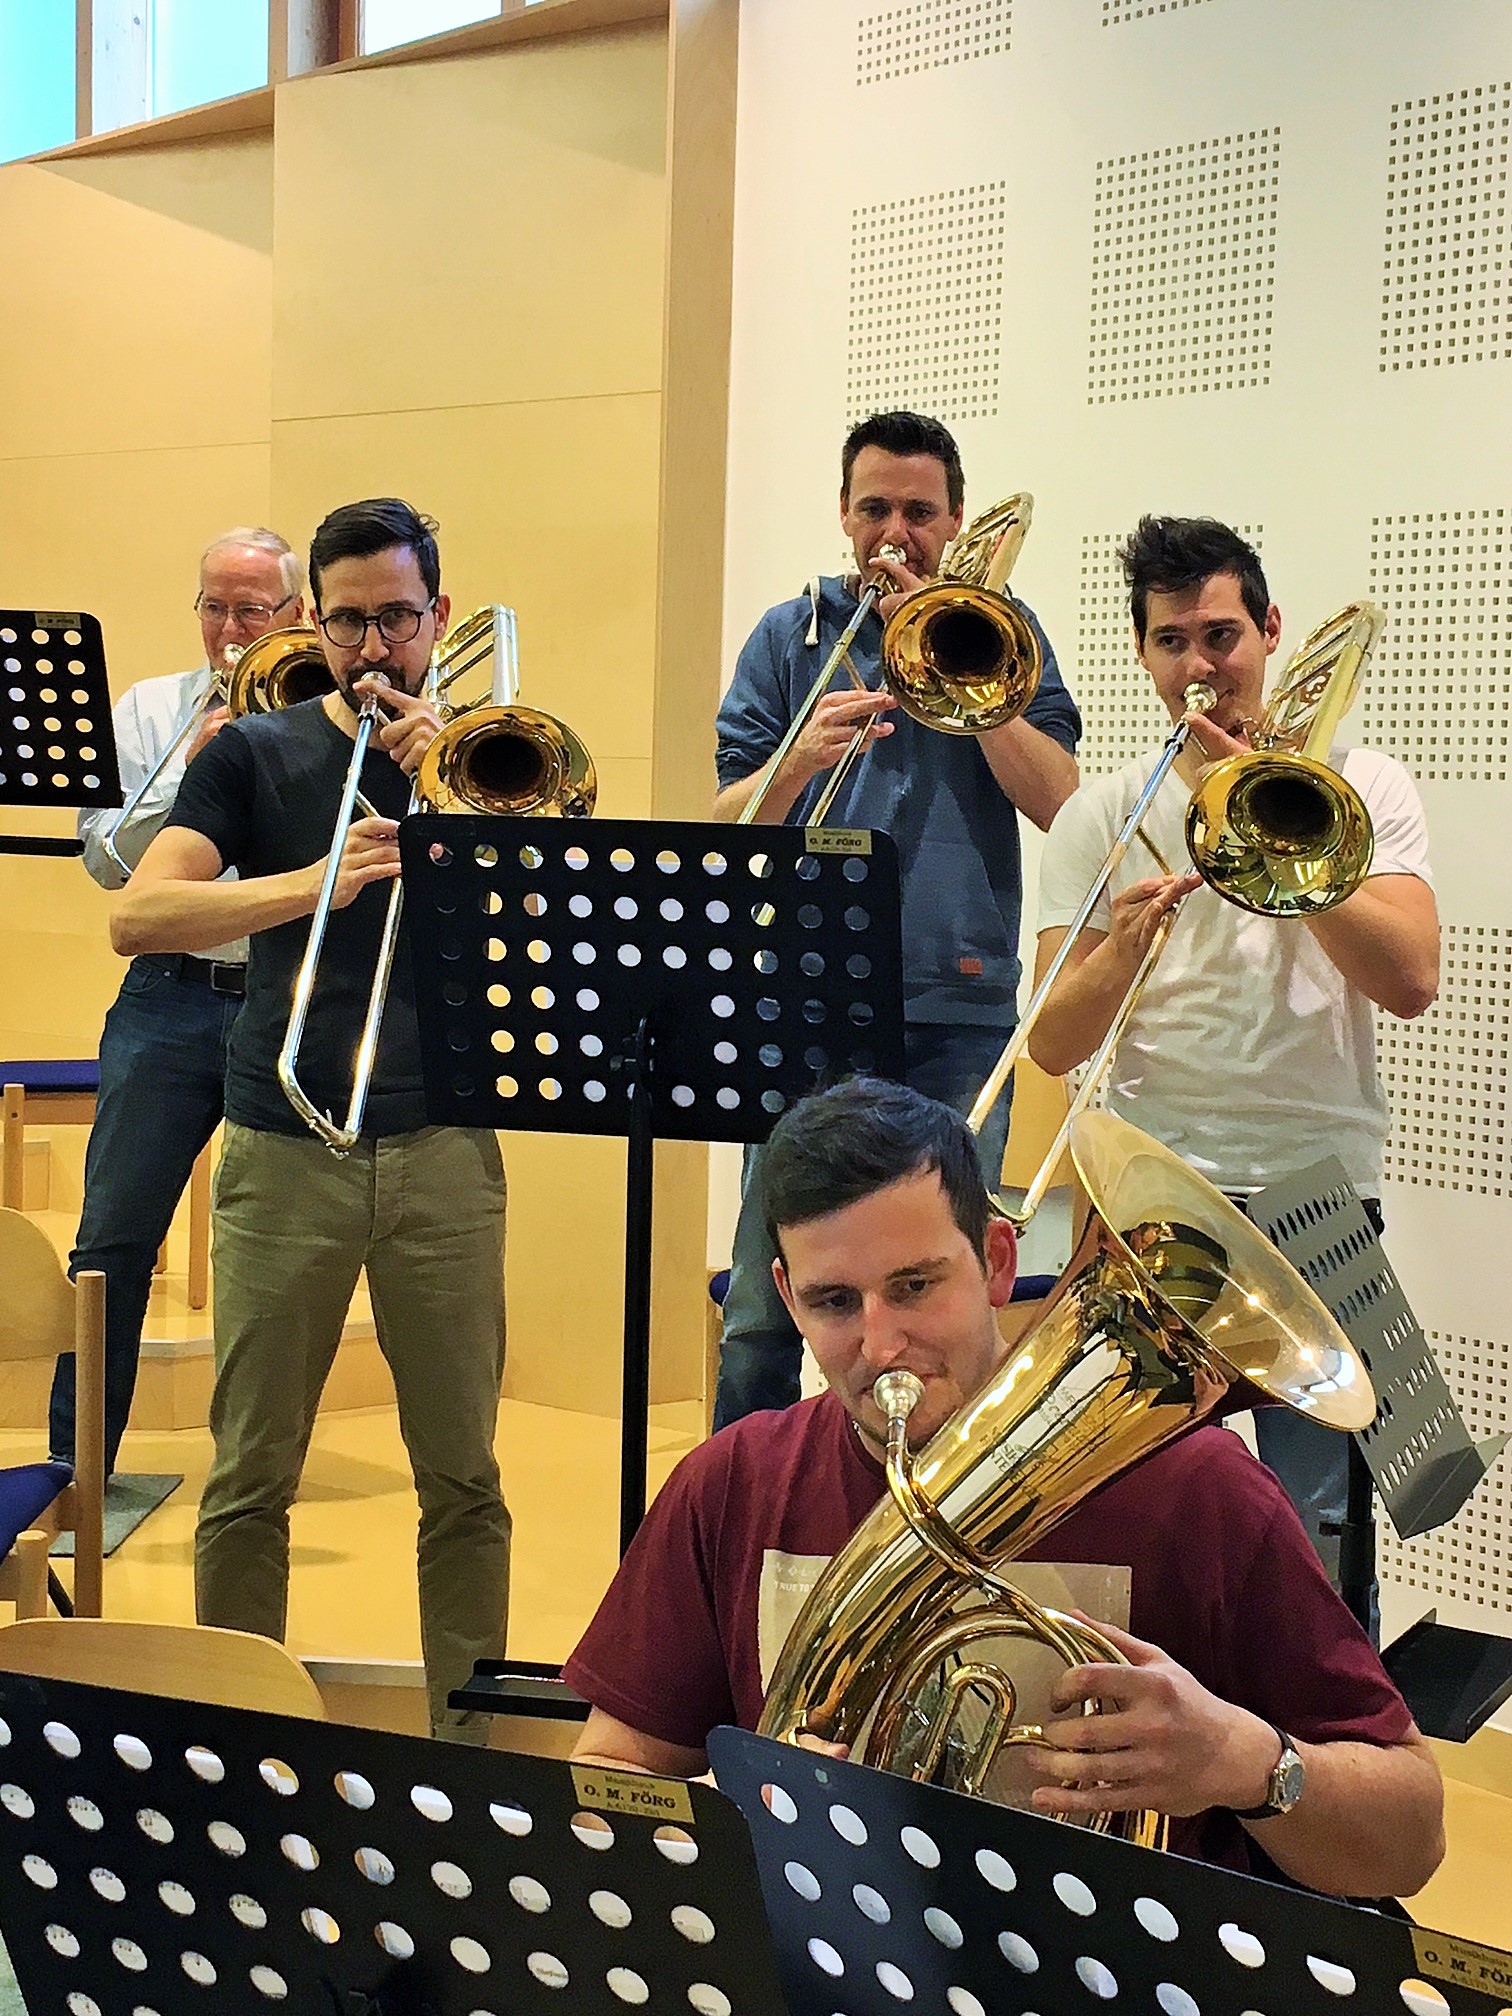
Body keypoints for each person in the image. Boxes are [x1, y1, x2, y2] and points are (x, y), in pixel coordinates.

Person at [564, 1078, 1445, 1899]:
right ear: (788, 1300)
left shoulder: (1198, 1492)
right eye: (834, 1303)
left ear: (994, 1260)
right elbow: (611, 1772)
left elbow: (1412, 1837)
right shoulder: (735, 1483)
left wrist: (1245, 1762)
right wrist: (749, 1817)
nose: (880, 1345)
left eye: (915, 1286)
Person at [110, 497, 509, 1741]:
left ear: (441, 616)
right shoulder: (254, 753)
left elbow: (554, 912)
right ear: (314, 622)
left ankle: (472, 1755)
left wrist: (453, 791)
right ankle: (239, 1750)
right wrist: (310, 884)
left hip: (445, 1149)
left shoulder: (493, 754)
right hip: (284, 1146)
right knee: (249, 1478)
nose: (374, 648)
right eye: (347, 622)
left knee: (464, 1481)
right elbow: (139, 915)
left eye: (398, 617)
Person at [1028, 516, 1439, 1592]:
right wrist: (1120, 953)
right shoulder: (1102, 814)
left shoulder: (1364, 787)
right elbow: (1051, 1039)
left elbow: (1410, 981)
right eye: (1171, 642)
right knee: (1131, 1516)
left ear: (1270, 632)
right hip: (1151, 1192)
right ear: (1142, 653)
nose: (1198, 668)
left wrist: (1288, 840)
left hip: (1320, 1192)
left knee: (1322, 1536)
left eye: (1220, 636)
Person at [711, 410, 1082, 1427]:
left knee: (952, 1304)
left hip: (959, 1013)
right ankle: (743, 1508)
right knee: (761, 1312)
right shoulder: (789, 638)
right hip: (804, 1009)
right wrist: (797, 758)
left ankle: (945, 1506)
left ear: (955, 521)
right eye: (874, 508)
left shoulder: (1004, 631)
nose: (894, 534)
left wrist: (970, 677)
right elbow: (726, 824)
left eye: (919, 512)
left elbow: (1062, 801)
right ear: (843, 512)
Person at [55, 528, 306, 1478]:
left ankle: (254, 1475)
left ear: (296, 614)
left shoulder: (323, 714)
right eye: (214, 607)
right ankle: (77, 1477)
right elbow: (104, 862)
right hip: (169, 995)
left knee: (280, 1250)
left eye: (253, 610)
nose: (230, 630)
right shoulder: (151, 709)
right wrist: (192, 782)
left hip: (284, 993)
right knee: (111, 1239)